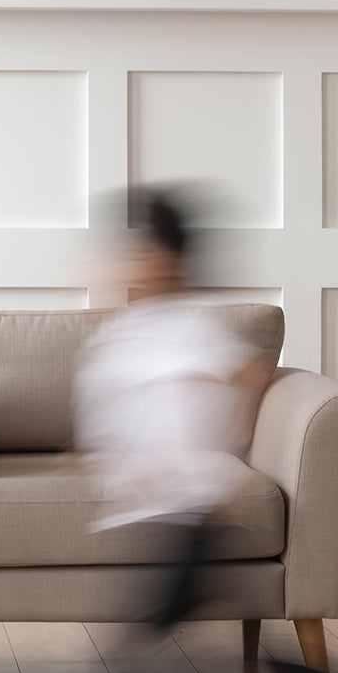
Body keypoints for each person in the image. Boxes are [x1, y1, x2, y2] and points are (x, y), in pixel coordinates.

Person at [73, 187, 268, 627]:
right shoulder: (120, 334)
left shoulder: (190, 328)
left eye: (150, 256)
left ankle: (147, 639)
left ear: (175, 263)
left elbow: (250, 375)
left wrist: (233, 442)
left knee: (175, 570)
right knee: (166, 577)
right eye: (134, 256)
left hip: (185, 492)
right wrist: (102, 453)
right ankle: (157, 627)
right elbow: (105, 405)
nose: (138, 268)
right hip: (146, 484)